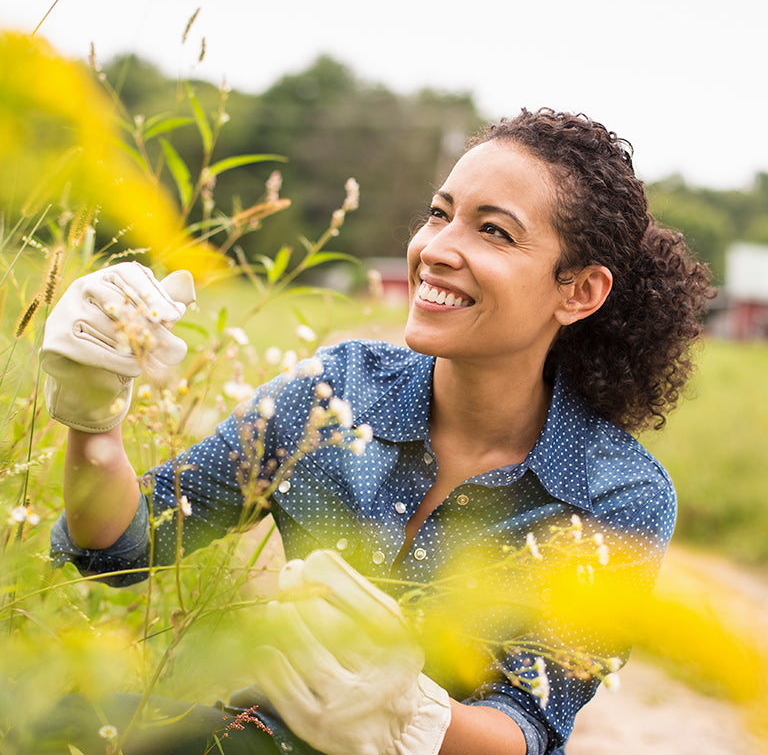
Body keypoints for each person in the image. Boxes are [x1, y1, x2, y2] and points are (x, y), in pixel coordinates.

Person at [39, 108, 712, 755]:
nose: (436, 250)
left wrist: (407, 717)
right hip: (267, 738)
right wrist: (95, 419)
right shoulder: (335, 393)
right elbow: (129, 546)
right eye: (439, 215)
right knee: (60, 721)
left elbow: (526, 727)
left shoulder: (614, 494)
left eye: (494, 232)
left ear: (580, 291)